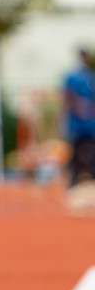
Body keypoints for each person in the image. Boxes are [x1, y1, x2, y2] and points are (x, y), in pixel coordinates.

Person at [64, 47, 95, 186]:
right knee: (76, 150)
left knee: (91, 149)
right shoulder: (73, 76)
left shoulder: (91, 76)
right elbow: (68, 96)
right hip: (77, 121)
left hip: (89, 122)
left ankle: (91, 176)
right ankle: (74, 179)